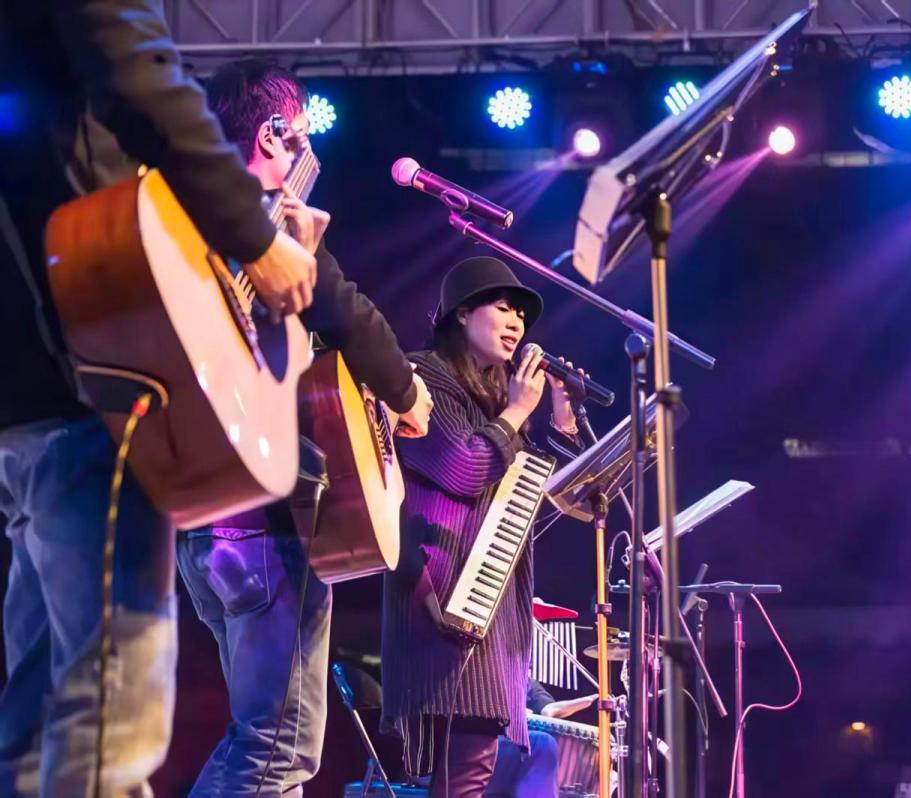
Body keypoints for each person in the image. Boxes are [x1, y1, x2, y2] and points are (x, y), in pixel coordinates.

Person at [0, 4, 317, 796]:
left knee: (36, 717)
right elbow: (138, 74)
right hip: (97, 366)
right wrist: (256, 237)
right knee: (109, 714)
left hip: (30, 386)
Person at [174, 59, 433, 797]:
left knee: (257, 740)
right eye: (301, 137)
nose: (307, 154)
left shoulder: (182, 224)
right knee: (279, 750)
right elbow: (345, 310)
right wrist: (407, 392)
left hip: (204, 529)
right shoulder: (263, 226)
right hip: (265, 525)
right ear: (271, 134)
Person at [380, 256, 583, 798]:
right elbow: (464, 468)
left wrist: (561, 424)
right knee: (467, 772)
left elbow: (537, 499)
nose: (517, 321)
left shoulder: (497, 398)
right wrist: (517, 412)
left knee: (473, 770)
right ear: (463, 313)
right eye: (503, 307)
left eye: (522, 314)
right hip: (443, 599)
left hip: (491, 608)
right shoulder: (423, 376)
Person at [484, 681, 598, 798]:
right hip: (484, 742)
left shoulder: (523, 680)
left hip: (511, 748)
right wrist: (512, 711)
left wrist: (582, 702)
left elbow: (549, 709)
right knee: (541, 742)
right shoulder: (485, 673)